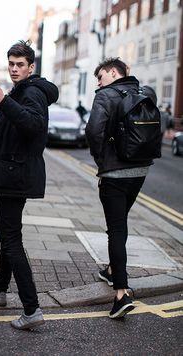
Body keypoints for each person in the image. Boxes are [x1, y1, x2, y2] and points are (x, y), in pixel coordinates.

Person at [0, 40, 59, 330]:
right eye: (11, 64)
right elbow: (14, 130)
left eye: (20, 64)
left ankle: (31, 309)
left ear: (31, 67)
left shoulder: (31, 92)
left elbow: (34, 126)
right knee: (8, 232)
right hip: (13, 172)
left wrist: (3, 101)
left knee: (11, 238)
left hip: (14, 175)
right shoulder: (21, 91)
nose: (14, 69)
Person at [85, 58, 157, 319]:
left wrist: (101, 159)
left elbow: (94, 131)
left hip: (115, 173)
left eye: (101, 76)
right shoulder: (144, 92)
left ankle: (121, 294)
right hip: (140, 170)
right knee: (121, 222)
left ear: (113, 72)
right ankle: (113, 270)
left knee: (116, 228)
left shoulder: (105, 95)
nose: (99, 82)